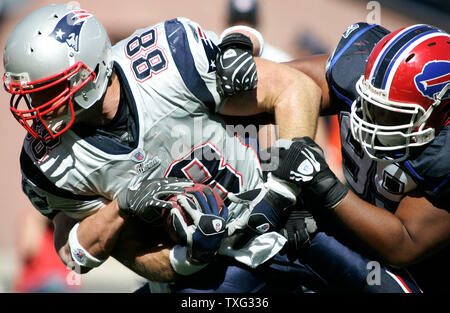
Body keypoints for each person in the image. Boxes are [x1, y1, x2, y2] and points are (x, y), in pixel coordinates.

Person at [2, 5, 424, 293]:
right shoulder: (50, 161)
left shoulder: (166, 59)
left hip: (287, 218)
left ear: (91, 71)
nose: (38, 110)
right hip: (210, 263)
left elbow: (293, 88)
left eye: (49, 92)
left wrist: (286, 194)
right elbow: (91, 253)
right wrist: (178, 252)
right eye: (31, 96)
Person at [268, 22, 449, 292]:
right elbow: (287, 84)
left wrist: (324, 185)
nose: (375, 121)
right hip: (353, 234)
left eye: (394, 114)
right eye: (371, 106)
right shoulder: (360, 76)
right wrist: (239, 65)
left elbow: (403, 242)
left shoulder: (443, 157)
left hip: (416, 276)